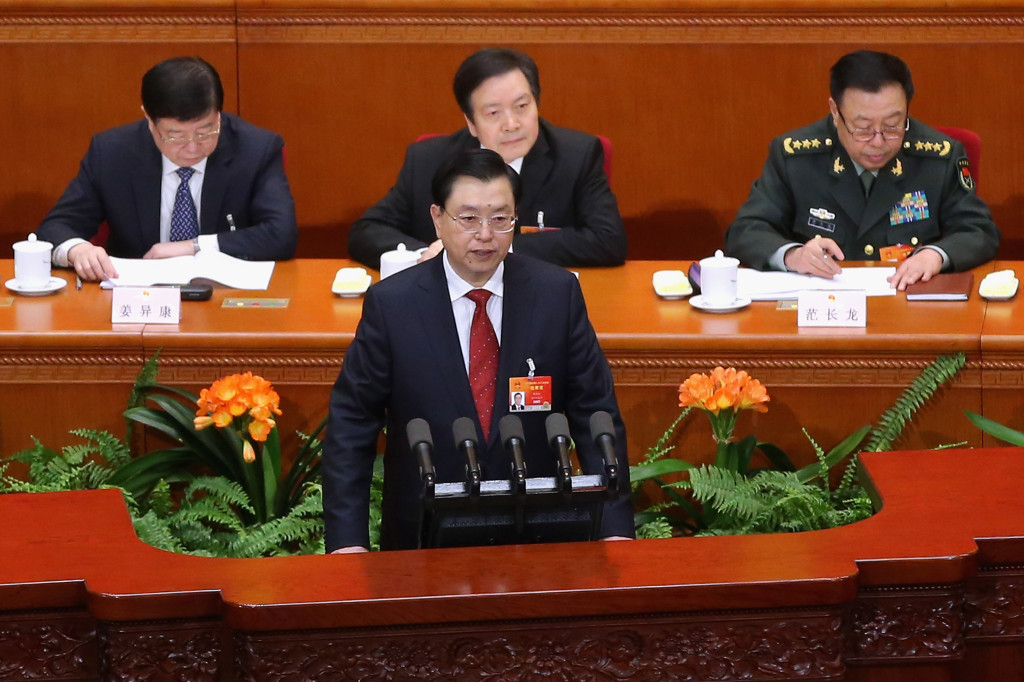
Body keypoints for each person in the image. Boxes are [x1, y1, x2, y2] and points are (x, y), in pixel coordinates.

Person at [324, 148, 634, 552]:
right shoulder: (392, 305)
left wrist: (616, 531)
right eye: (468, 218)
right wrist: (347, 544)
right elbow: (351, 426)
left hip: (538, 537)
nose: (486, 234)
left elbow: (598, 416)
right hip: (421, 541)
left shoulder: (557, 295)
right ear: (437, 219)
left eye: (501, 218)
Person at [724, 50, 999, 290]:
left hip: (909, 309)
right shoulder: (795, 156)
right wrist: (792, 255)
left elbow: (978, 231)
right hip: (819, 312)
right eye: (863, 128)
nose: (878, 141)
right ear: (835, 111)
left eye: (893, 124)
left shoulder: (939, 157)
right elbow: (746, 230)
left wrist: (936, 255)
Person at [348, 47, 626, 270]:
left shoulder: (577, 155)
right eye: (494, 113)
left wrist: (500, 247)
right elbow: (367, 232)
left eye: (522, 107)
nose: (512, 123)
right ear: (471, 121)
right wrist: (429, 255)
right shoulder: (428, 160)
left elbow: (608, 240)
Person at [38, 56, 297, 282]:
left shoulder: (256, 149)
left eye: (206, 131)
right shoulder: (112, 152)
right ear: (149, 120)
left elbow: (281, 234)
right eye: (176, 136)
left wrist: (194, 247)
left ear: (219, 114)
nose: (193, 148)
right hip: (136, 299)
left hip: (224, 299)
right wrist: (77, 250)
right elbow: (56, 227)